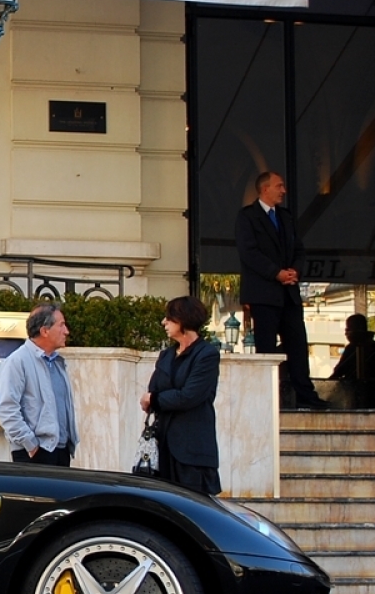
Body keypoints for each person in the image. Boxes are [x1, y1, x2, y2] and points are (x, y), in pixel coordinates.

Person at [235, 170, 327, 408]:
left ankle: (306, 396)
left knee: (297, 345)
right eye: (279, 186)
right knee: (266, 349)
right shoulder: (248, 217)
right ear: (265, 189)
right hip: (263, 295)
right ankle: (268, 398)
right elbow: (249, 253)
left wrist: (294, 271)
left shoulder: (286, 217)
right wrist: (275, 273)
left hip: (289, 294)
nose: (283, 191)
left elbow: (299, 249)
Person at [139, 296, 222, 495]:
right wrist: (157, 398)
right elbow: (154, 388)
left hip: (192, 452)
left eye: (169, 318)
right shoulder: (166, 355)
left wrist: (156, 399)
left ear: (183, 319)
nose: (163, 322)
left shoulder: (206, 354)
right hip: (162, 447)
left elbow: (189, 396)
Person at [0, 303, 78, 466]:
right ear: (44, 331)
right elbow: (7, 410)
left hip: (60, 452)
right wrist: (31, 444)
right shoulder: (18, 361)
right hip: (34, 454)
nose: (66, 331)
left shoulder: (57, 362)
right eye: (61, 325)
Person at [330, 313, 375, 380]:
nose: (346, 333)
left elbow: (339, 371)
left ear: (358, 329)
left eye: (348, 330)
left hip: (355, 387)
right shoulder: (374, 345)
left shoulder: (353, 347)